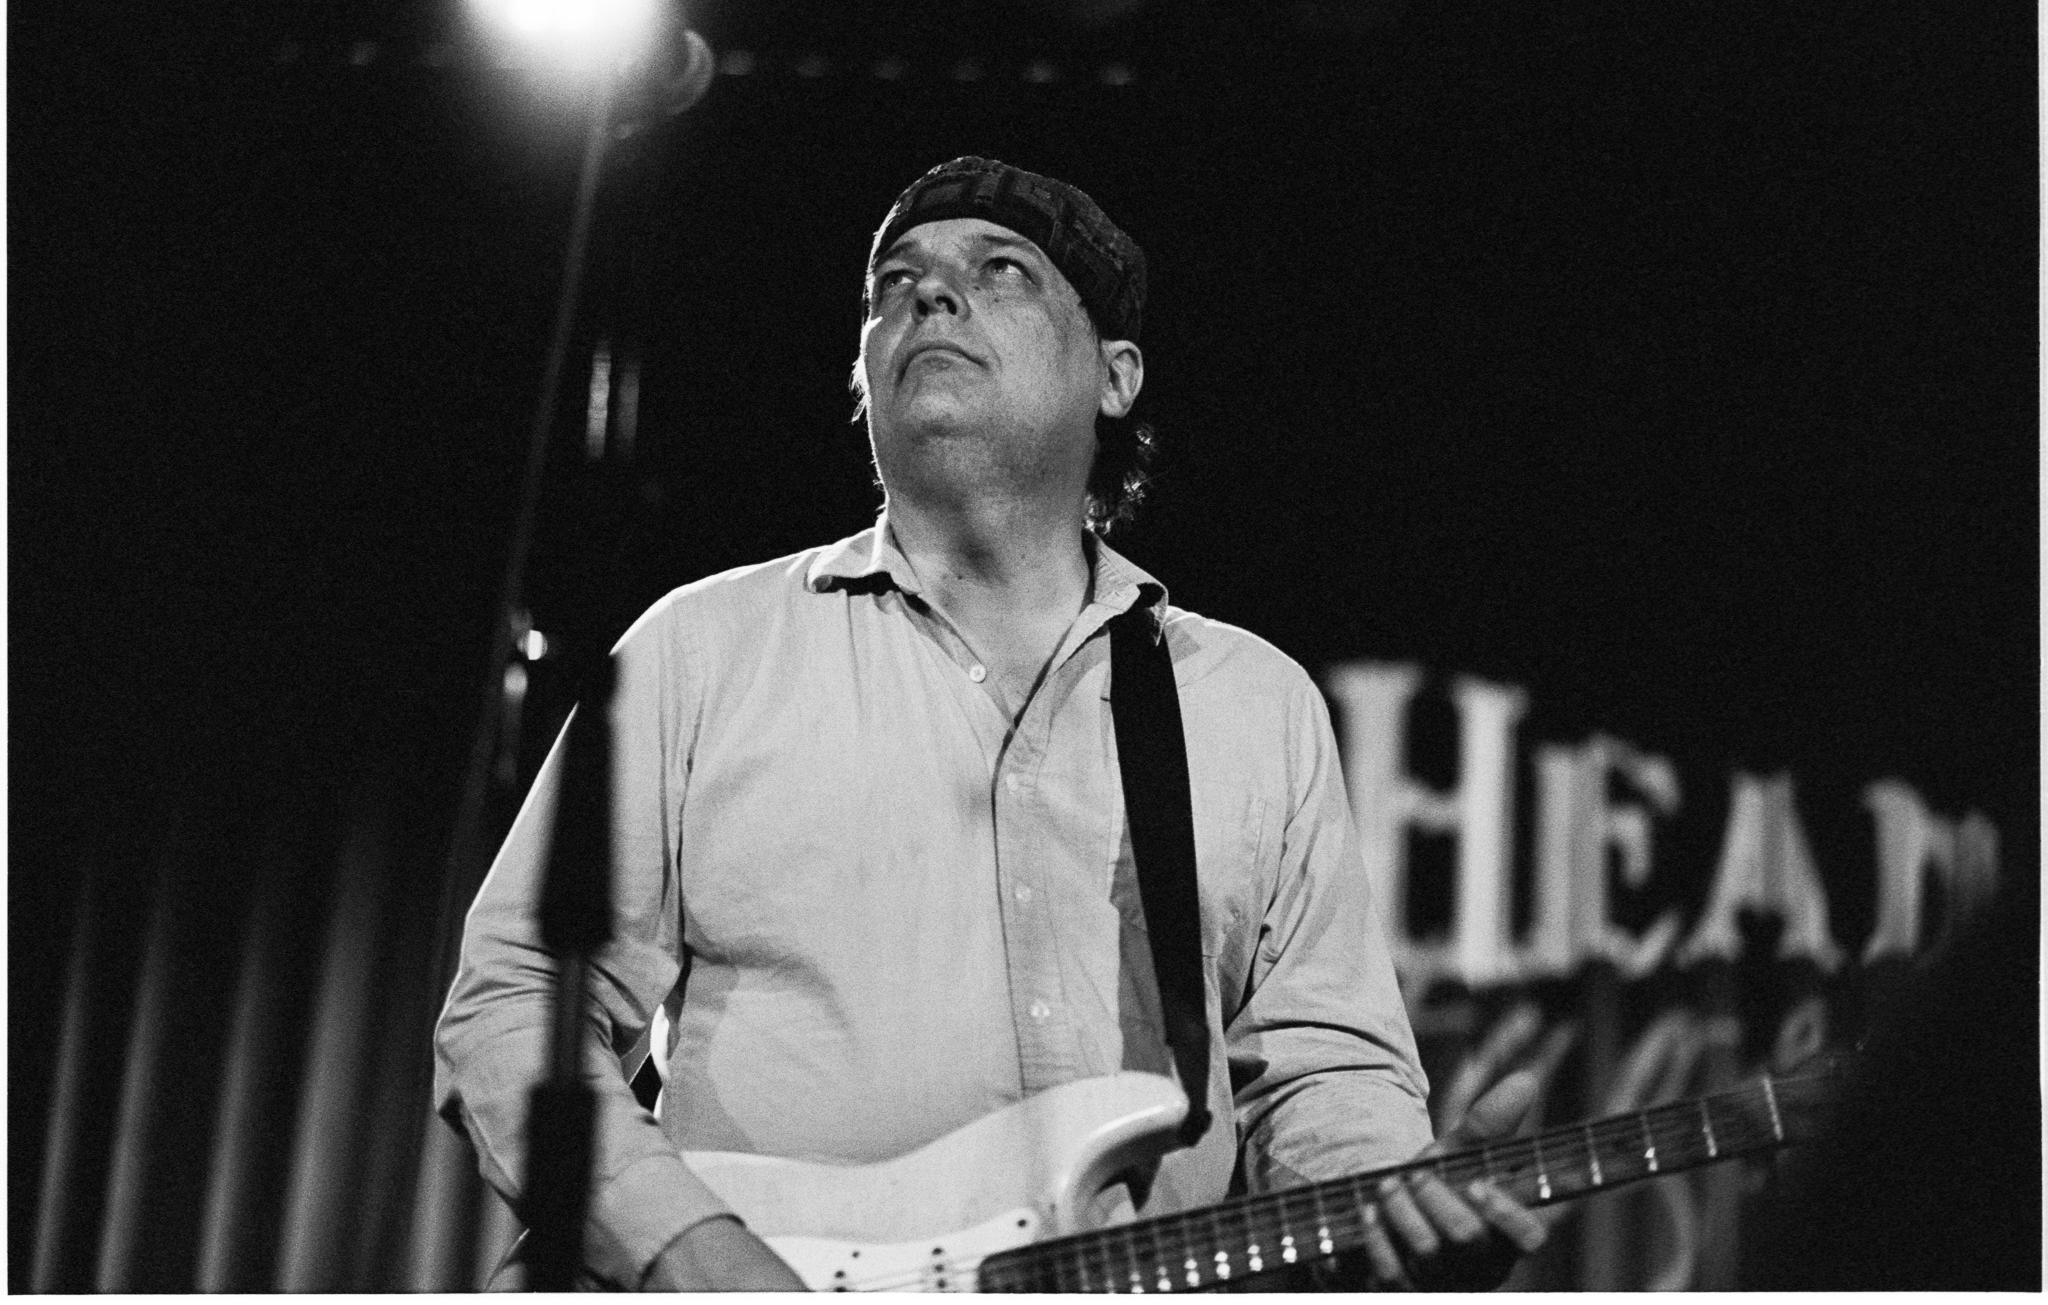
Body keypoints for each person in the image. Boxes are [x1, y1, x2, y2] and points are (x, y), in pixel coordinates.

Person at [434, 157, 1546, 1290]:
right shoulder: (702, 648)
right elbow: (515, 1004)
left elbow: (1322, 1073)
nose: (928, 294)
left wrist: (1392, 1206)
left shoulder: (1251, 702)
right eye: (893, 284)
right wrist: (694, 1253)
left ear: (1115, 376)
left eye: (1002, 270)